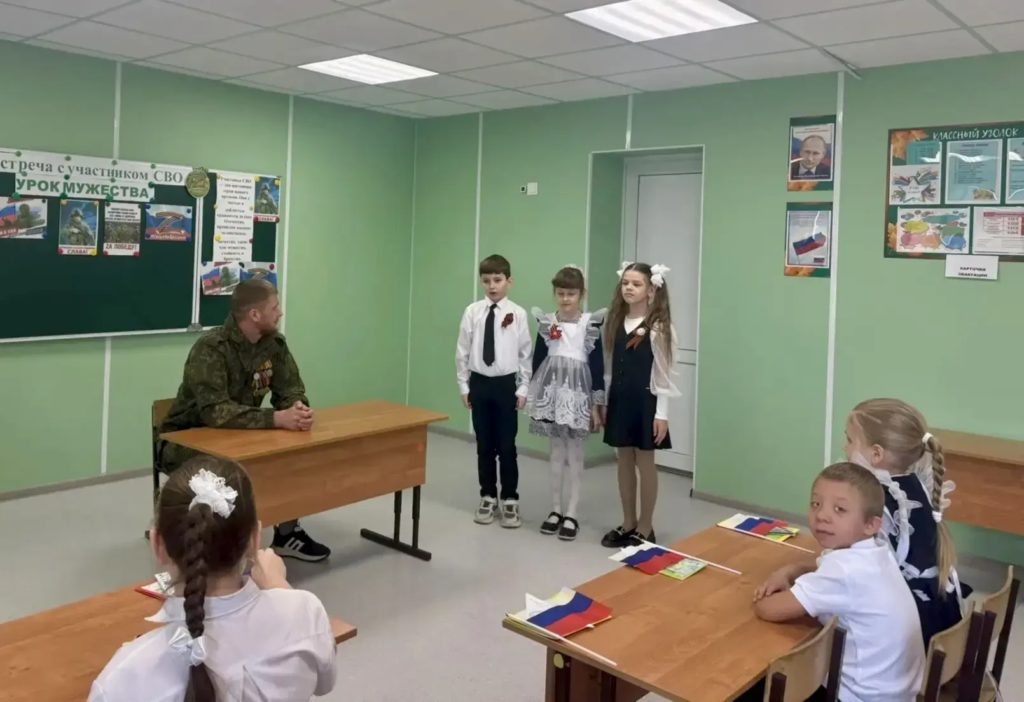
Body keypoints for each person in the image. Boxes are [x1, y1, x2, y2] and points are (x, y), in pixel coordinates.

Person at [89, 456, 336, 702]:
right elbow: (325, 682)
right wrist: (280, 588)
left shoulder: (123, 680)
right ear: (255, 539)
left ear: (157, 544)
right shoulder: (306, 613)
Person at [159, 279, 330, 562]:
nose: (280, 313)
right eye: (274, 308)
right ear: (254, 314)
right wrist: (276, 418)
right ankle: (219, 546)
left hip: (241, 434)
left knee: (290, 454)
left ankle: (288, 534)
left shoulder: (274, 345)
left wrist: (297, 408)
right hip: (186, 440)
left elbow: (290, 388)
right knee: (231, 470)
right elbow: (216, 412)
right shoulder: (211, 348)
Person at [751, 462, 925, 702]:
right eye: (816, 504)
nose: (822, 515)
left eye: (839, 509)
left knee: (757, 683)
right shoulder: (878, 552)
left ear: (871, 525)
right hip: (897, 694)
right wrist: (792, 570)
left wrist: (767, 588)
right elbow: (826, 572)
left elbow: (768, 609)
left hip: (857, 697)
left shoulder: (843, 570)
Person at [845, 398, 970, 646]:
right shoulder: (916, 485)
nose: (844, 447)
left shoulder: (877, 502)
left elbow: (856, 577)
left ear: (876, 454)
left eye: (849, 440)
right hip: (941, 619)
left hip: (909, 635)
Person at [600, 262, 678, 548]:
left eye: (636, 284)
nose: (629, 288)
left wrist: (662, 414)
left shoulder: (658, 328)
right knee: (623, 459)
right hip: (620, 400)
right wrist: (604, 400)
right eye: (625, 283)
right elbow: (610, 366)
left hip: (646, 402)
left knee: (645, 462)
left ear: (651, 290)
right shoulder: (615, 322)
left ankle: (646, 526)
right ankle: (628, 521)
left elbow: (663, 373)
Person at [526, 265, 606, 541]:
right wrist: (532, 393)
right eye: (560, 293)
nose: (565, 299)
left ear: (581, 294)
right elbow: (537, 361)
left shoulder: (590, 325)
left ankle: (572, 512)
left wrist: (596, 402)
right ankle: (555, 509)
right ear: (555, 293)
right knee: (556, 451)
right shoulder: (547, 323)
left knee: (575, 453)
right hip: (552, 393)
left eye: (571, 294)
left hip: (578, 395)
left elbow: (597, 366)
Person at [455, 254, 532, 528]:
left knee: (507, 446)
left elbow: (525, 354)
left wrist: (523, 387)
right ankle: (488, 495)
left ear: (509, 281)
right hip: (480, 383)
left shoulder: (518, 314)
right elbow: (462, 351)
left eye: (497, 280)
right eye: (486, 280)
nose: (492, 286)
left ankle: (510, 498)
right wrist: (464, 385)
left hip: (505, 385)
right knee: (484, 445)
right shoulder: (472, 312)